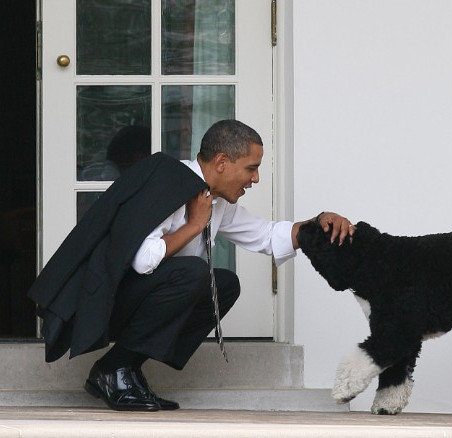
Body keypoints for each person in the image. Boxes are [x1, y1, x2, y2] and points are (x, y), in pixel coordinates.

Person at [30, 119, 354, 412]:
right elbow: (142, 261)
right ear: (222, 162)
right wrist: (194, 226)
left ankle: (120, 367)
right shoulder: (167, 181)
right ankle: (114, 371)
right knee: (194, 273)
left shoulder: (215, 200)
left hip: (137, 302)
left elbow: (266, 236)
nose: (255, 178)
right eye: (251, 168)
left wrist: (319, 223)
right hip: (101, 305)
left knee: (225, 284)